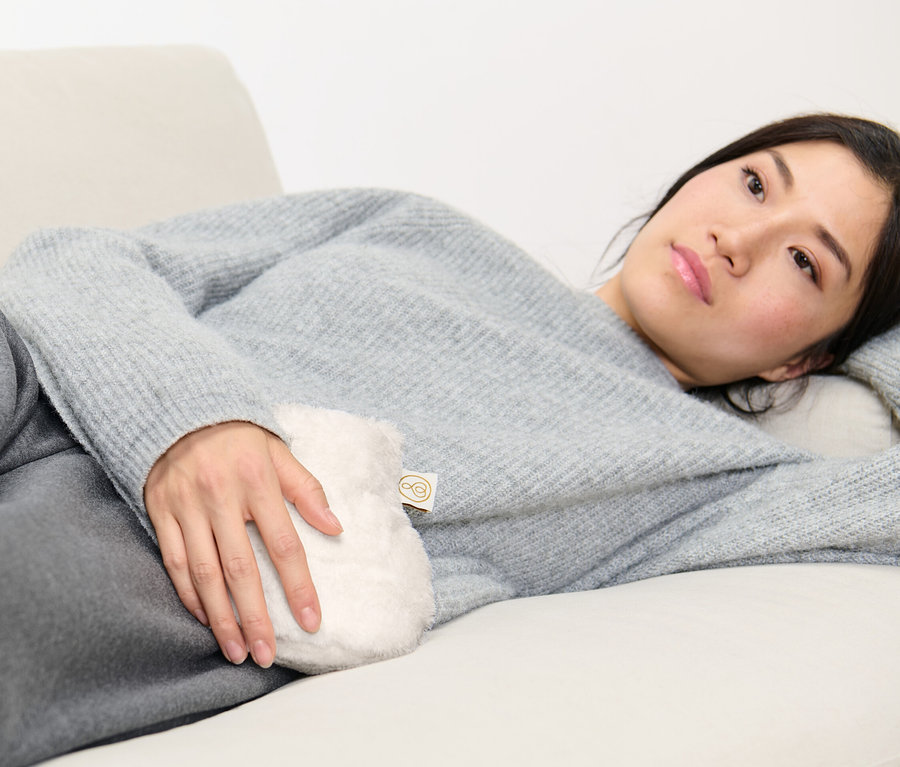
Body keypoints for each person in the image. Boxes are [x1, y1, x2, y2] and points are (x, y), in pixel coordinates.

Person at [2, 113, 899, 766]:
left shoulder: (716, 477)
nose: (740, 237)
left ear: (805, 360)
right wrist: (192, 421)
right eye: (754, 182)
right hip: (56, 379)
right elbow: (77, 260)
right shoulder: (414, 224)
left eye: (806, 261)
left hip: (184, 558)